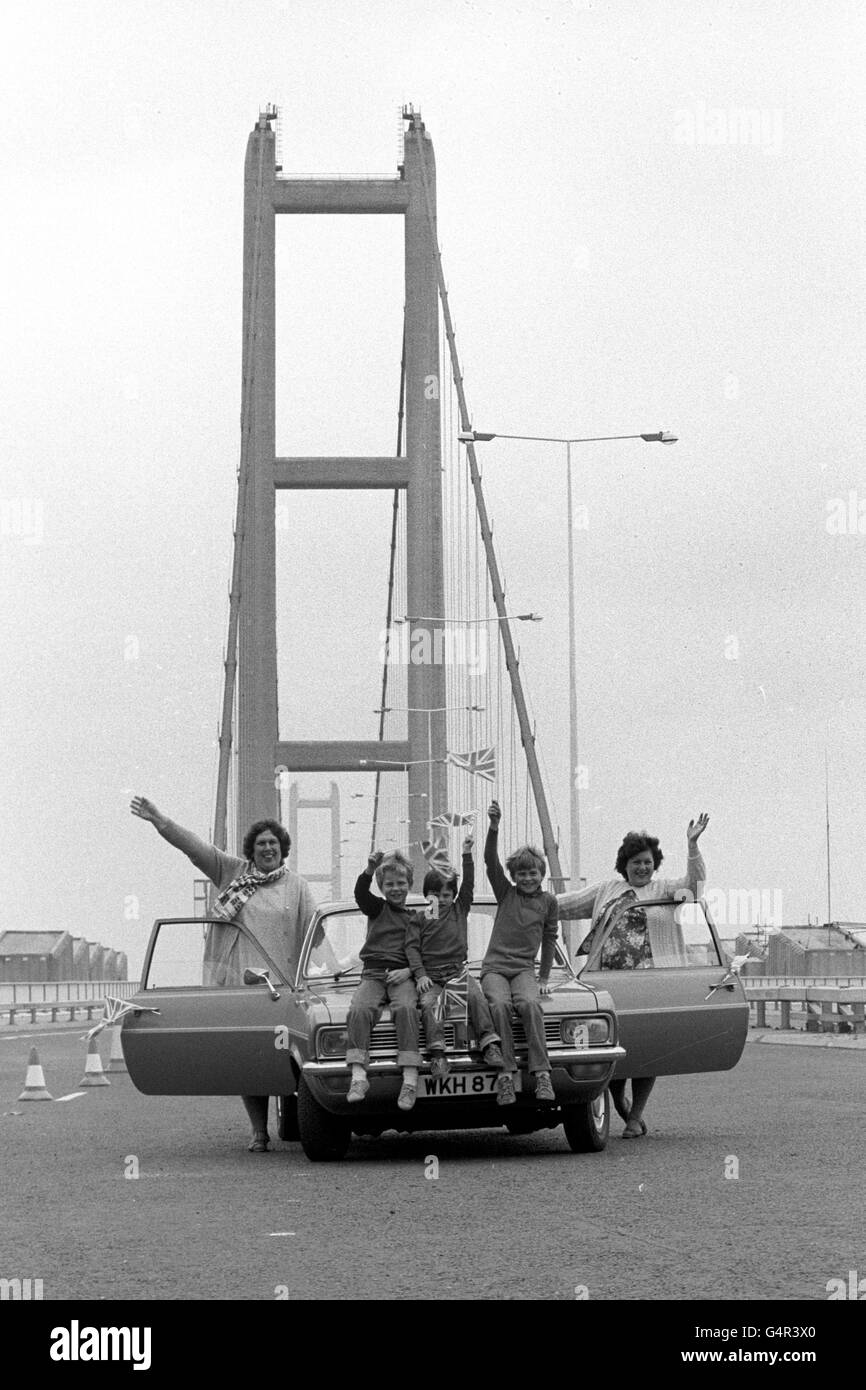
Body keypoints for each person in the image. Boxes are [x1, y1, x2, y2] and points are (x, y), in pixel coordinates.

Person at [130, 795, 316, 1153]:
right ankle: (259, 1131)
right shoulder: (232, 873)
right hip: (242, 988)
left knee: (294, 1059)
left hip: (286, 987)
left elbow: (313, 934)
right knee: (252, 1063)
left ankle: (296, 1121)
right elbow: (196, 849)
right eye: (260, 844)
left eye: (273, 843)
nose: (267, 849)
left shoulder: (297, 886)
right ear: (251, 850)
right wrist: (160, 820)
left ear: (283, 849)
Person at [557, 813, 709, 1138]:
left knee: (646, 1050)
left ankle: (635, 1115)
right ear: (624, 864)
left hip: (650, 983)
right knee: (610, 1047)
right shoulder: (606, 890)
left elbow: (695, 887)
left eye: (647, 862)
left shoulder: (665, 889)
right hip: (607, 982)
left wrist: (692, 845)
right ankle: (622, 1105)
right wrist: (521, 898)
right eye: (636, 862)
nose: (642, 867)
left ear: (655, 865)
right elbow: (562, 906)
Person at [404, 836, 505, 1080]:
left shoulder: (460, 909)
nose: (440, 899)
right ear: (426, 895)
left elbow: (468, 884)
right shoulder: (419, 919)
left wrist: (466, 854)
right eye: (434, 894)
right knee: (430, 1005)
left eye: (446, 895)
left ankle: (489, 1043)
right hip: (432, 977)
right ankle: (438, 1055)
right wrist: (420, 975)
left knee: (476, 997)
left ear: (453, 896)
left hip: (456, 972)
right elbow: (411, 948)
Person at [481, 800, 559, 1107]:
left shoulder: (549, 902)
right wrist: (494, 827)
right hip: (495, 969)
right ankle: (506, 1075)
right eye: (522, 873)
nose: (528, 877)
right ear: (514, 876)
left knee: (529, 1004)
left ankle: (542, 1074)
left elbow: (550, 939)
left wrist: (544, 977)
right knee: (499, 1005)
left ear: (542, 873)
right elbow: (489, 862)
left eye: (533, 872)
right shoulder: (506, 893)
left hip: (525, 970)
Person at [346, 849, 424, 1111]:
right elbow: (360, 894)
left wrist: (410, 972)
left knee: (406, 1009)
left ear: (410, 885)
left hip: (403, 974)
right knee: (360, 1009)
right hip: (373, 973)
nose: (396, 888)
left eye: (401, 883)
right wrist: (369, 869)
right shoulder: (376, 908)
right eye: (389, 884)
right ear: (381, 887)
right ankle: (358, 1076)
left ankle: (410, 1080)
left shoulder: (417, 917)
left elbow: (430, 949)